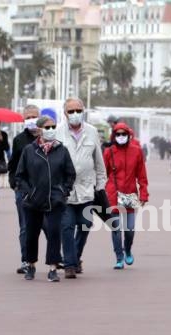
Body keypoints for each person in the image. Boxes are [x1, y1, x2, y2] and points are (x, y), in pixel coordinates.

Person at [15, 116, 76, 282]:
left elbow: (70, 174)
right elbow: (20, 175)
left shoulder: (62, 150)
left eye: (53, 127)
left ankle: (53, 268)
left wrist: (63, 191)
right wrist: (28, 193)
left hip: (55, 200)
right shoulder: (29, 150)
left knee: (54, 234)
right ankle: (31, 264)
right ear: (40, 129)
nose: (51, 130)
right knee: (31, 234)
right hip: (33, 201)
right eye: (47, 127)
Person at [57, 98, 107, 279]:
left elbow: (99, 162)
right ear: (65, 114)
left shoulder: (92, 132)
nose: (75, 114)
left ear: (83, 111)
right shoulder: (57, 133)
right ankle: (70, 265)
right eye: (71, 111)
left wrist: (100, 185)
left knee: (85, 225)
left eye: (78, 110)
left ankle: (75, 257)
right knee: (67, 226)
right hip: (65, 191)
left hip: (87, 190)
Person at [103, 123, 149, 269]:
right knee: (115, 228)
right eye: (118, 134)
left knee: (129, 229)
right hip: (113, 194)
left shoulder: (137, 152)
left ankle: (127, 249)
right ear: (114, 136)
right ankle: (119, 257)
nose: (121, 137)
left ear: (129, 135)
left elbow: (142, 176)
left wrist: (144, 194)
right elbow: (103, 174)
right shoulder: (108, 152)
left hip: (130, 194)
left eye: (123, 134)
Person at [9, 105, 41, 274]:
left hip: (45, 190)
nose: (31, 120)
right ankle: (26, 261)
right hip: (23, 190)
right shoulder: (19, 140)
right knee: (25, 227)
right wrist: (14, 183)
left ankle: (57, 259)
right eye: (28, 117)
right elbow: (12, 165)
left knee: (51, 227)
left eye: (34, 116)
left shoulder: (47, 137)